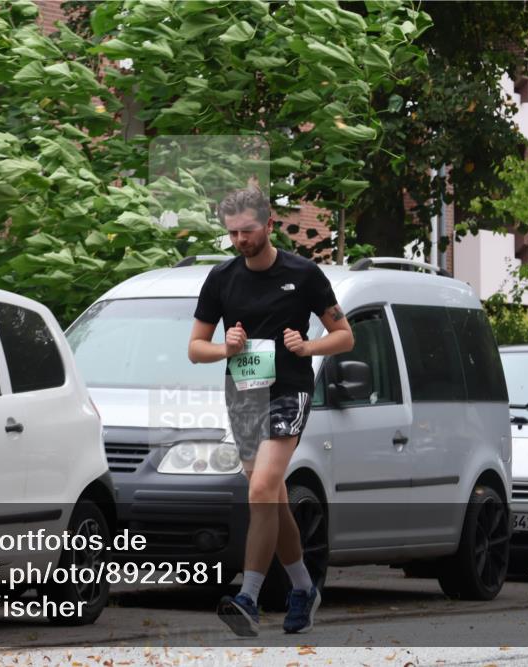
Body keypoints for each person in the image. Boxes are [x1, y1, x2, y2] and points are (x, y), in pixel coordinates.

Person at [188, 187, 355, 636]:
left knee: (262, 487)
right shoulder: (221, 278)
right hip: (244, 394)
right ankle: (303, 587)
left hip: (289, 391)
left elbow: (345, 336)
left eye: (247, 230)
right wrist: (226, 348)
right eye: (232, 233)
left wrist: (308, 346)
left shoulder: (303, 274)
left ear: (269, 225)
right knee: (273, 497)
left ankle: (248, 598)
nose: (240, 240)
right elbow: (196, 348)